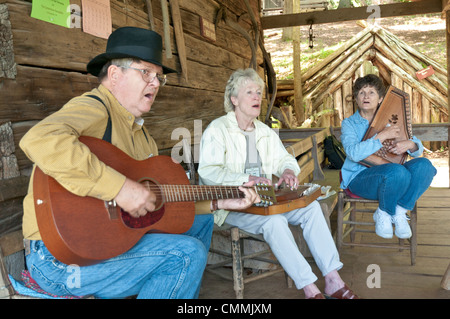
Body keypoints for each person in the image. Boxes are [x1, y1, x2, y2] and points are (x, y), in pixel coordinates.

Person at [19, 27, 259, 299]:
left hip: (105, 242)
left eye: (158, 77)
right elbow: (39, 139)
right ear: (114, 74)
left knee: (201, 221)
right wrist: (120, 188)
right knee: (185, 255)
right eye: (145, 72)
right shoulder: (96, 107)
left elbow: (163, 207)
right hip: (58, 259)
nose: (155, 83)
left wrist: (219, 202)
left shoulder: (143, 138)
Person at [198, 68, 358, 299]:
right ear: (234, 99)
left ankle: (333, 279)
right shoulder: (217, 130)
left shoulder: (263, 131)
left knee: (311, 209)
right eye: (249, 92)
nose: (256, 97)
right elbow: (208, 173)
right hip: (230, 204)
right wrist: (246, 179)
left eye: (258, 92)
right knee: (274, 222)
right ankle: (309, 288)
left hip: (263, 200)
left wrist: (287, 170)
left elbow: (284, 158)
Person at [340, 74, 436, 239]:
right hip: (360, 179)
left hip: (393, 176)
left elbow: (417, 148)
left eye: (371, 92)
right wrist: (381, 136)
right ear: (356, 98)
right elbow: (353, 153)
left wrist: (410, 145)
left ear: (380, 99)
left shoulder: (390, 117)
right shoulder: (349, 124)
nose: (366, 96)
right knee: (398, 172)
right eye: (362, 93)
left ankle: (399, 210)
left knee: (425, 166)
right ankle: (384, 212)